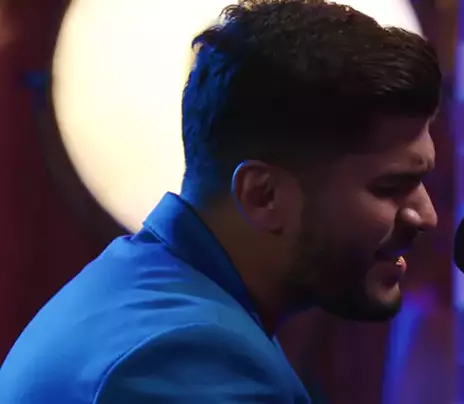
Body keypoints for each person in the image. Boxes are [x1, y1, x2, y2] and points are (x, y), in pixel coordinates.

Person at [0, 0, 441, 402]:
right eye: (390, 187)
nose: (427, 216)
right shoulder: (191, 356)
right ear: (263, 195)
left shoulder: (145, 287)